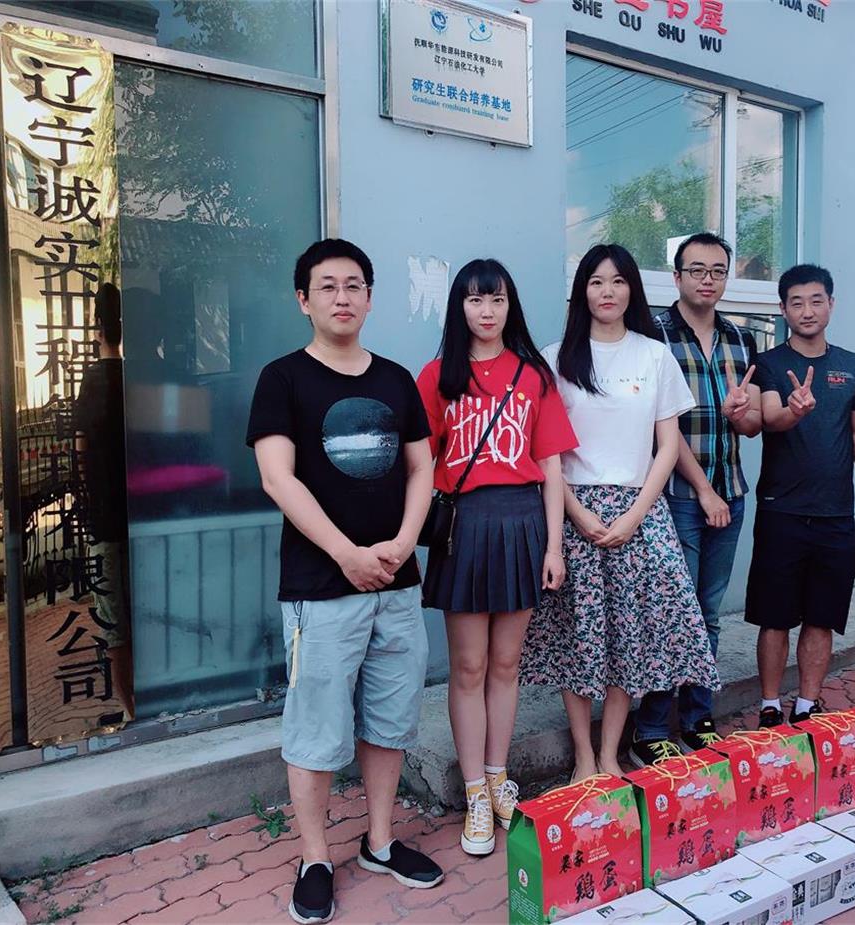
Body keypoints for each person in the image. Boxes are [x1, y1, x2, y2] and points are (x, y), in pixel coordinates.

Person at [246, 239, 444, 924]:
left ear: (369, 297)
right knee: (316, 725)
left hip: (396, 582)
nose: (342, 296)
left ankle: (380, 841)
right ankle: (314, 857)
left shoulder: (394, 379)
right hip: (321, 587)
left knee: (390, 718)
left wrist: (402, 543)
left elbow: (422, 468)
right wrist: (345, 554)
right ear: (303, 299)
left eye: (354, 285)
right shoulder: (282, 379)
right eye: (327, 285)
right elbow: (278, 478)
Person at [520, 243, 721, 782]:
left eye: (617, 281)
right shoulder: (555, 358)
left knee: (628, 640)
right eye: (595, 282)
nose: (607, 292)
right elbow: (546, 451)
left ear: (632, 289)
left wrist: (635, 515)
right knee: (578, 641)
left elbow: (668, 446)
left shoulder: (653, 355)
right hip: (573, 512)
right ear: (581, 292)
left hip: (640, 513)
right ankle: (583, 757)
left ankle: (610, 753)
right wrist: (577, 514)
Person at [416, 259, 577, 856]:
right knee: (469, 666)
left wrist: (555, 546)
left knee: (507, 664)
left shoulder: (533, 375)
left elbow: (552, 467)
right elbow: (418, 463)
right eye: (476, 300)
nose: (487, 312)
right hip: (463, 526)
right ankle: (474, 795)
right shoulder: (437, 376)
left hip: (522, 524)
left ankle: (497, 776)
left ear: (512, 306)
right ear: (459, 307)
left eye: (498, 300)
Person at [632, 233, 762, 763]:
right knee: (672, 612)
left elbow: (751, 424)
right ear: (677, 276)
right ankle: (650, 728)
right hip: (676, 496)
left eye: (717, 271)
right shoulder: (653, 334)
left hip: (730, 490)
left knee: (707, 612)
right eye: (697, 270)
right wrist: (704, 492)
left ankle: (696, 717)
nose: (708, 279)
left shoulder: (741, 337)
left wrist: (742, 415)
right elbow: (658, 426)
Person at [748, 264, 855, 728]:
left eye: (816, 300)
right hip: (780, 510)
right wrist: (794, 413)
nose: (807, 310)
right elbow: (767, 419)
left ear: (831, 305)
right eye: (796, 302)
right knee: (775, 616)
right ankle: (769, 705)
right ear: (783, 310)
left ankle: (807, 704)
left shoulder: (854, 366)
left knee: (822, 616)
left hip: (835, 514)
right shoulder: (768, 364)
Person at [74, 282, 130, 649]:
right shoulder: (133, 379)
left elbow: (81, 445)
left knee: (113, 625)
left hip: (104, 514)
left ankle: (123, 686)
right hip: (137, 513)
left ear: (97, 331)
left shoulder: (92, 379)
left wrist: (85, 487)